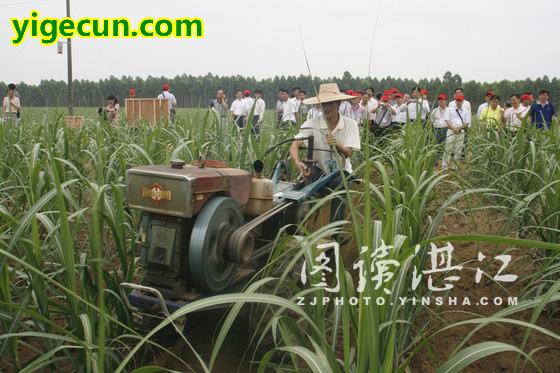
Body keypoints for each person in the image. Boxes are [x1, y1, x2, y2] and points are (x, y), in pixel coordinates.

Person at [289, 83, 360, 223]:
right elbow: (295, 144)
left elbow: (348, 154)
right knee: (302, 183)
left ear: (338, 103)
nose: (326, 108)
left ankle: (336, 232)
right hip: (320, 169)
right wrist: (297, 162)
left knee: (339, 186)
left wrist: (337, 144)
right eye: (323, 104)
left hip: (341, 171)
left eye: (330, 104)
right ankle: (301, 223)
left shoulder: (350, 125)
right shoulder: (312, 123)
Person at [442, 94, 471, 170]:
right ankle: (444, 166)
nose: (458, 102)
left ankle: (455, 166)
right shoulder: (450, 109)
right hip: (451, 131)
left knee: (458, 149)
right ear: (455, 101)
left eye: (460, 100)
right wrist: (453, 128)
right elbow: (447, 120)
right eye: (457, 100)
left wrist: (458, 128)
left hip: (461, 132)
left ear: (462, 101)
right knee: (448, 148)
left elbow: (466, 122)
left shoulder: (466, 111)